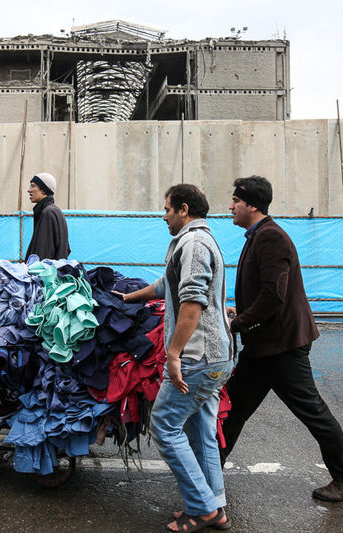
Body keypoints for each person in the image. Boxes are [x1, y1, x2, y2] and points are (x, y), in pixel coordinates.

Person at [221, 175, 343, 502]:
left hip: (281, 346)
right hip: (264, 345)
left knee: (311, 410)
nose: (230, 206)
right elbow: (266, 291)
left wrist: (239, 323)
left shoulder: (271, 238)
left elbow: (274, 295)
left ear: (252, 205)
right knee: (234, 406)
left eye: (235, 201)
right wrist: (238, 312)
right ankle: (211, 469)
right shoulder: (259, 235)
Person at [122, 184, 234, 532]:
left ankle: (202, 508)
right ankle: (214, 503)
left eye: (167, 209)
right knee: (201, 432)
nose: (164, 215)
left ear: (183, 209)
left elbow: (192, 302)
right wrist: (127, 299)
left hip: (199, 358)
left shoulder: (195, 244)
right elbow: (164, 285)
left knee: (165, 426)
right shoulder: (193, 242)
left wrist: (173, 354)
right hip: (214, 358)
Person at [24, 172, 70, 261]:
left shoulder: (48, 213)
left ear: (44, 190)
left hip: (44, 272)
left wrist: (34, 269)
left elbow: (43, 250)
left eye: (33, 186)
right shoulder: (53, 210)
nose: (29, 190)